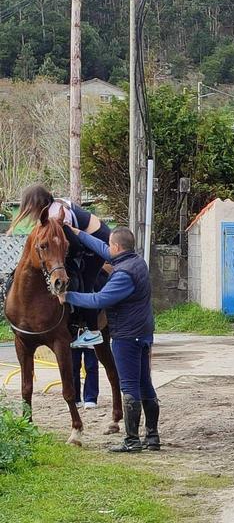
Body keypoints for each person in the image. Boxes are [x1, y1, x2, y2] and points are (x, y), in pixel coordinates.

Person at [57, 226, 159, 454]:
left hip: (126, 335)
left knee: (130, 385)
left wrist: (68, 296)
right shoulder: (137, 261)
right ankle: (152, 437)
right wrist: (79, 233)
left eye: (110, 245)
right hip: (142, 332)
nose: (107, 248)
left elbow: (99, 298)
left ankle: (132, 440)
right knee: (145, 383)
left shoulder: (123, 274)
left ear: (117, 247)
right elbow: (102, 248)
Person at [10, 184, 113, 349]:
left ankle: (93, 331)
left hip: (98, 242)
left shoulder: (56, 215)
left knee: (86, 283)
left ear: (36, 205)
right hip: (84, 240)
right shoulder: (52, 208)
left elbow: (76, 246)